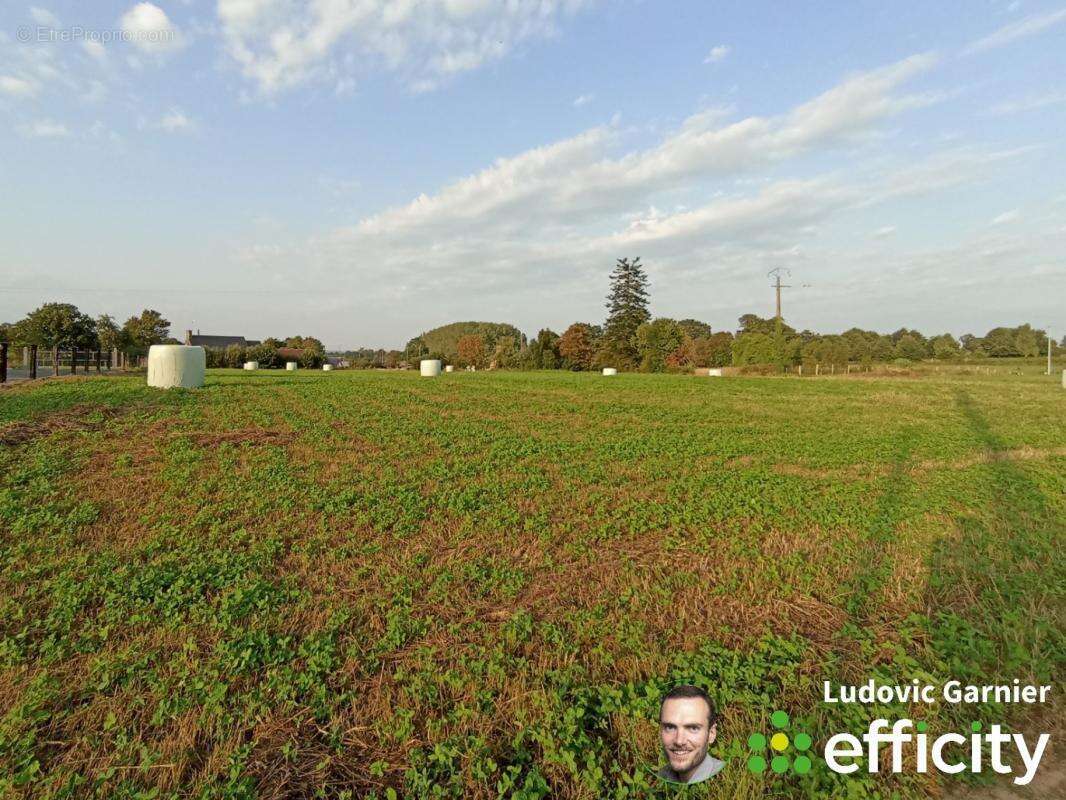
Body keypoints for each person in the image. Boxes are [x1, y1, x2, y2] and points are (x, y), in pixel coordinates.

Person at [657, 684, 725, 784]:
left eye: (693, 728)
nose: (679, 741)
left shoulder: (727, 779)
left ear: (711, 734)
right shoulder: (660, 779)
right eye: (670, 727)